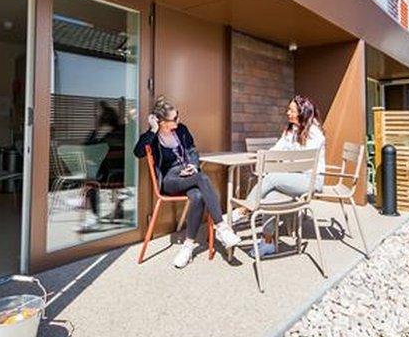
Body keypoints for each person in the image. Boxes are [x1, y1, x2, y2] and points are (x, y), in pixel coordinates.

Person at [134, 97, 241, 268]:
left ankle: (188, 246)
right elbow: (138, 152)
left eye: (178, 116)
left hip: (188, 175)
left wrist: (193, 165)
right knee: (202, 177)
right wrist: (153, 131)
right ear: (161, 122)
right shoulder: (153, 136)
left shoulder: (181, 130)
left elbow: (192, 150)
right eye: (174, 119)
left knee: (198, 196)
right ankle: (222, 228)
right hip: (169, 180)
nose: (178, 120)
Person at [239, 95, 326, 256]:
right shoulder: (291, 130)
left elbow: (304, 163)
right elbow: (277, 149)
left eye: (291, 110)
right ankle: (267, 242)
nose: (287, 113)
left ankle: (244, 209)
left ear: (302, 112)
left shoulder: (315, 133)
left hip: (311, 181)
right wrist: (263, 156)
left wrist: (282, 165)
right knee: (270, 196)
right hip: (292, 178)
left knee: (272, 177)